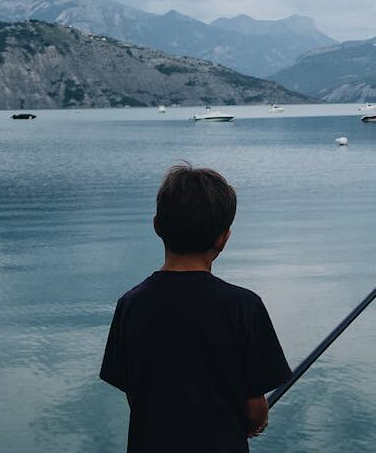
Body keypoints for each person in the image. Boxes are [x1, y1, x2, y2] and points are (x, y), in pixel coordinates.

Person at [100, 163, 292, 452]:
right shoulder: (244, 307)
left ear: (157, 226)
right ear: (223, 238)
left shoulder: (131, 304)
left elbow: (135, 395)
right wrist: (256, 424)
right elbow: (255, 411)